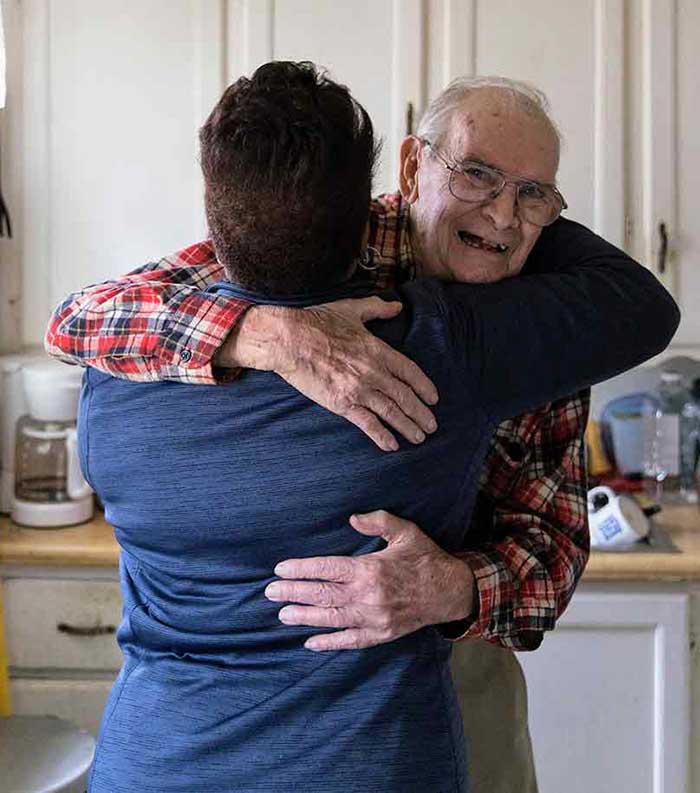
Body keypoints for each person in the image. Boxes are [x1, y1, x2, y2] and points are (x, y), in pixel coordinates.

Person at [48, 64, 678, 792]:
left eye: (534, 195)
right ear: (412, 167)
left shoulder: (550, 319)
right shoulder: (331, 235)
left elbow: (556, 546)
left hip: (458, 660)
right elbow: (83, 317)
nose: (504, 219)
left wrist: (454, 587)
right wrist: (263, 331)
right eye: (476, 175)